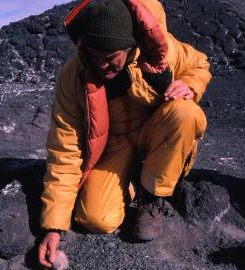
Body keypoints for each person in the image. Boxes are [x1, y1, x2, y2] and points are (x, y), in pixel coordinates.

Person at [38, 0, 212, 268]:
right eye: (94, 56)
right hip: (115, 145)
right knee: (95, 220)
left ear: (130, 48)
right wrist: (54, 226)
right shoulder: (73, 76)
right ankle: (133, 179)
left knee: (186, 114)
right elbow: (65, 149)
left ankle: (152, 196)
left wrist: (188, 84)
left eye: (110, 58)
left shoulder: (161, 51)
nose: (102, 65)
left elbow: (199, 64)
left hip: (155, 130)